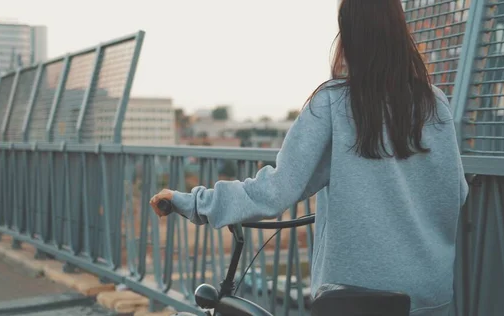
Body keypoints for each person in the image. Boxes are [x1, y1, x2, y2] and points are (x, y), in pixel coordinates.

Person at [150, 0, 468, 315]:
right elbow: (457, 192)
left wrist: (192, 202)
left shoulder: (334, 102)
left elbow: (276, 191)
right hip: (428, 296)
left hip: (356, 300)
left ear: (349, 36)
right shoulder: (434, 101)